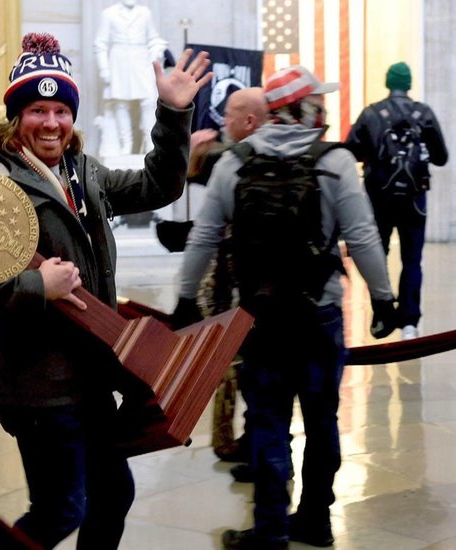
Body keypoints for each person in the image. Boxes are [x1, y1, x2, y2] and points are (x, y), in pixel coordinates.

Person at [0, 32, 211, 549]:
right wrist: (38, 285)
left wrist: (173, 115)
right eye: (38, 110)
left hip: (91, 375)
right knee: (62, 508)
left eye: (62, 110)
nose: (52, 123)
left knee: (113, 495)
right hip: (36, 384)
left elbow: (159, 186)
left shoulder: (82, 173)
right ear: (16, 116)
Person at [173, 65, 397, 550]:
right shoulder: (334, 163)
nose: (325, 105)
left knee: (269, 420)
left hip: (261, 319)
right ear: (304, 108)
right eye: (319, 99)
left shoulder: (235, 162)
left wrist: (185, 296)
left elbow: (205, 235)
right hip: (319, 317)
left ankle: (270, 528)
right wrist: (383, 298)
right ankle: (315, 520)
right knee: (322, 421)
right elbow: (362, 236)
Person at [184, 87, 268, 467]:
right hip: (237, 285)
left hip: (239, 286)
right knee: (235, 365)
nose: (223, 121)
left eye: (231, 114)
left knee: (238, 366)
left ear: (250, 120)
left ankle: (236, 440)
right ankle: (234, 438)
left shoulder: (240, 159)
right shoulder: (232, 157)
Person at [345, 61, 448, 340]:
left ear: (388, 83)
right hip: (415, 199)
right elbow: (441, 157)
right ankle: (410, 323)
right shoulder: (423, 113)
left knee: (377, 257)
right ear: (409, 84)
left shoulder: (371, 113)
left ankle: (382, 314)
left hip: (379, 197)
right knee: (412, 260)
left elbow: (350, 151)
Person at [94, 0, 168, 155]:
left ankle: (149, 141)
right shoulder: (109, 14)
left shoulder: (145, 13)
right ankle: (126, 144)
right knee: (121, 103)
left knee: (148, 101)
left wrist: (156, 52)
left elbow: (153, 38)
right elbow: (100, 43)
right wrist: (104, 69)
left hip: (141, 59)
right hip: (119, 60)